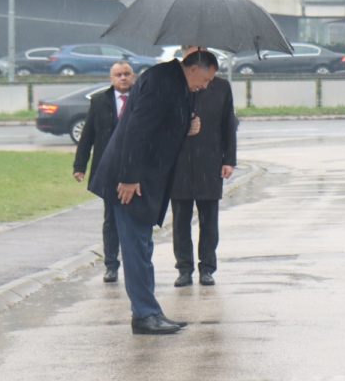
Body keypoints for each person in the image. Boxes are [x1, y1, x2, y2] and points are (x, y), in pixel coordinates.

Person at [90, 50, 218, 335]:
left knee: (143, 246)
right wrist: (129, 177)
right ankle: (144, 315)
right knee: (136, 248)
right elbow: (137, 128)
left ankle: (149, 311)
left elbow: (162, 126)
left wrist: (188, 126)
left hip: (143, 179)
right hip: (130, 180)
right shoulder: (161, 81)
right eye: (207, 78)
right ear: (195, 68)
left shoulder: (176, 82)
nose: (206, 85)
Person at [171, 46, 238, 287]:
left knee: (209, 219)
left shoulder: (221, 87)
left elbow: (229, 123)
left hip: (209, 160)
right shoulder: (175, 85)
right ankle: (184, 267)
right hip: (179, 161)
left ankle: (207, 267)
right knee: (180, 220)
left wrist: (229, 158)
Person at [73, 60, 135, 283]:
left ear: (133, 76)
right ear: (111, 78)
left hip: (136, 170)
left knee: (135, 220)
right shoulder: (100, 101)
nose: (123, 78)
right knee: (111, 219)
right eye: (118, 74)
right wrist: (80, 166)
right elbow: (87, 135)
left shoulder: (142, 98)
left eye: (127, 74)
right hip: (108, 169)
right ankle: (111, 265)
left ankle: (135, 264)